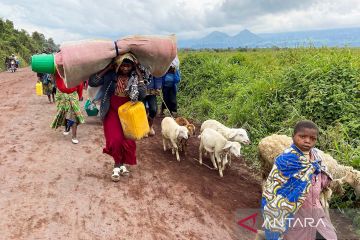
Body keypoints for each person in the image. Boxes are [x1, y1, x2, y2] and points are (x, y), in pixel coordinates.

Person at [261, 120, 338, 240]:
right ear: (293, 136)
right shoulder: (285, 161)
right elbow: (273, 191)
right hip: (293, 215)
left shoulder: (316, 157)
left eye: (312, 138)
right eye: (302, 136)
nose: (307, 141)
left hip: (316, 213)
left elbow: (321, 179)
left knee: (329, 236)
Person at [88, 53, 147, 182]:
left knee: (128, 141)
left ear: (132, 67)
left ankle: (121, 163)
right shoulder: (110, 76)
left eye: (128, 65)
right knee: (115, 140)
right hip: (111, 110)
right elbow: (92, 82)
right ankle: (117, 165)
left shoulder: (135, 78)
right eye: (123, 65)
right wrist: (107, 69)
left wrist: (138, 72)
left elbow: (142, 95)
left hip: (128, 112)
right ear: (119, 65)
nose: (125, 68)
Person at [51, 71, 85, 144]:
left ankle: (74, 136)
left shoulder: (76, 71)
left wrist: (79, 95)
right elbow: (54, 79)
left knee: (74, 116)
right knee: (64, 114)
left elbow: (80, 85)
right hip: (61, 95)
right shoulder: (57, 70)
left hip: (72, 96)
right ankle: (67, 128)